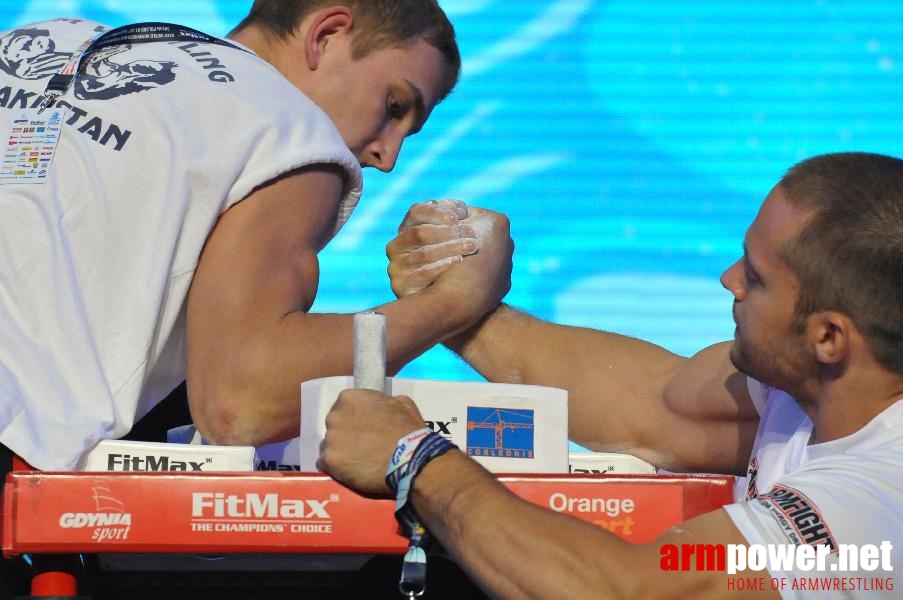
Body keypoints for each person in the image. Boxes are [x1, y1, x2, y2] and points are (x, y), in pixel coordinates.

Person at [319, 151, 903, 598]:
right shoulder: (803, 388)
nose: (729, 279)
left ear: (828, 338)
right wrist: (458, 306)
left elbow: (626, 591)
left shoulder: (878, 504)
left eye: (757, 275)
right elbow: (655, 404)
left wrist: (417, 459)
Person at [0, 0, 513, 476]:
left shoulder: (43, 39)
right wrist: (454, 303)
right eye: (395, 105)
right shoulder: (287, 124)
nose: (388, 155)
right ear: (327, 34)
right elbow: (238, 403)